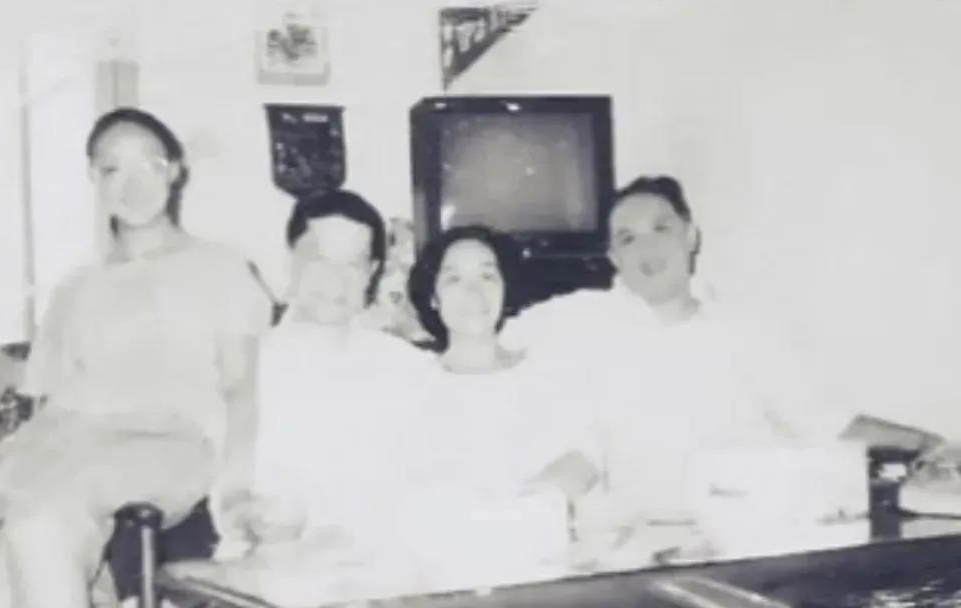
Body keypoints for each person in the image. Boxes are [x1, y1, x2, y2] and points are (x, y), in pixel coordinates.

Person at [0, 107, 271, 608]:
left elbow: (242, 388)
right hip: (70, 444)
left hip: (171, 442)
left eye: (148, 166)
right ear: (94, 178)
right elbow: (47, 403)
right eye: (112, 169)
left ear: (175, 171)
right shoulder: (77, 287)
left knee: (39, 521)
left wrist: (237, 488)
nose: (131, 185)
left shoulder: (222, 269)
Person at [504, 176, 941, 552]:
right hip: (633, 551)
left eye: (661, 228)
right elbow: (488, 341)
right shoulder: (577, 322)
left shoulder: (745, 331)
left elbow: (829, 424)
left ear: (691, 236)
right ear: (614, 258)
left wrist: (930, 442)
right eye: (627, 238)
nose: (646, 248)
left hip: (742, 541)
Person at [214, 189, 429, 556]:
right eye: (320, 259)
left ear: (372, 272)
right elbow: (226, 494)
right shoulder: (248, 365)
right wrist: (245, 515)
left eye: (353, 264)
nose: (336, 280)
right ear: (290, 260)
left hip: (381, 563)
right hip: (271, 566)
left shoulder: (408, 368)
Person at [401, 225, 601, 586]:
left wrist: (536, 501)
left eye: (487, 276)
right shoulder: (412, 386)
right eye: (454, 279)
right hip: (448, 582)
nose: (473, 292)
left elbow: (584, 459)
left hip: (544, 578)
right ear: (433, 297)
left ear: (505, 288)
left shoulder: (544, 373)